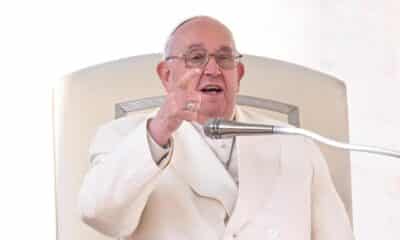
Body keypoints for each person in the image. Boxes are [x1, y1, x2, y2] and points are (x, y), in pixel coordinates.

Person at [78, 16, 354, 240]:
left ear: (239, 74)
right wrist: (159, 130)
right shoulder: (121, 137)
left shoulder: (296, 145)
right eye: (195, 58)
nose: (212, 69)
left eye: (224, 58)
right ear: (166, 75)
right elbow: (100, 216)